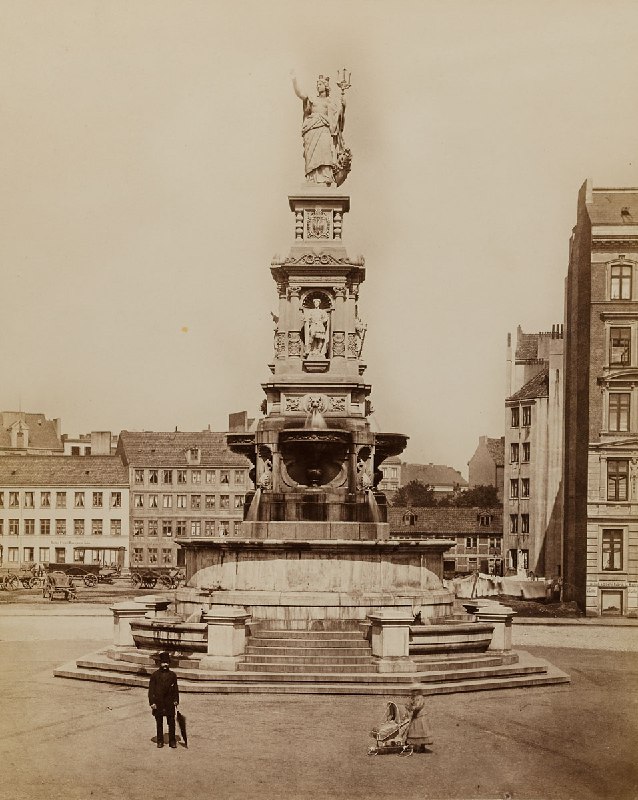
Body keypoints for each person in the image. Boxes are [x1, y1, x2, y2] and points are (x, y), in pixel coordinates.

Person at [292, 72, 347, 186]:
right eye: (317, 84)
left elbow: (338, 116)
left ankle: (326, 176)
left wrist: (343, 104)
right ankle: (312, 178)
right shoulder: (312, 99)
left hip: (324, 128)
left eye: (320, 84)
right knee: (312, 154)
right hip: (311, 129)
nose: (318, 86)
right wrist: (294, 80)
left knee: (325, 152)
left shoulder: (330, 101)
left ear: (326, 86)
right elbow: (300, 94)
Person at [148, 651, 179, 749]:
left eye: (166, 663)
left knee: (171, 722)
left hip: (169, 702)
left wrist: (176, 700)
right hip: (159, 702)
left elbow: (175, 689)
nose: (165, 665)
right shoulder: (155, 675)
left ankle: (172, 741)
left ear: (169, 663)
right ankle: (160, 741)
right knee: (159, 722)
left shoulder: (172, 675)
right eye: (163, 663)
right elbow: (151, 690)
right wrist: (152, 702)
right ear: (160, 663)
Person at [404, 688, 433, 753]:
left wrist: (412, 708)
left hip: (421, 716)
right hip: (416, 716)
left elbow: (418, 706)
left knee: (421, 731)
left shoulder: (420, 698)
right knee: (413, 730)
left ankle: (422, 746)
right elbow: (411, 705)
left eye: (415, 691)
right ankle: (411, 743)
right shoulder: (413, 698)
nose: (413, 693)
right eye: (413, 691)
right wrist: (408, 706)